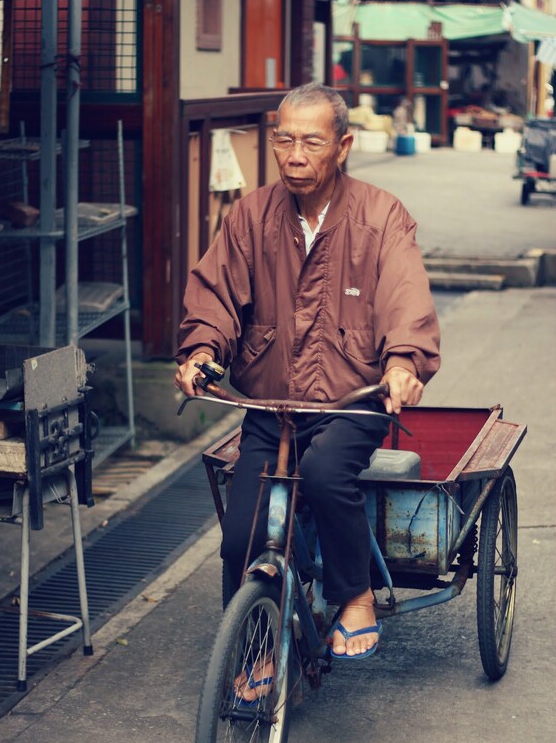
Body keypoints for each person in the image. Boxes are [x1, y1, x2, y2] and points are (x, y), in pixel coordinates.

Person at [175, 83, 440, 668]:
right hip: (272, 403)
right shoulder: (251, 216)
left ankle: (354, 594)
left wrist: (402, 362)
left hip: (352, 399)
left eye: (311, 142)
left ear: (342, 146)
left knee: (322, 474)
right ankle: (262, 640)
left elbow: (405, 295)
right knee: (241, 531)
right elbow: (216, 296)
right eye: (284, 140)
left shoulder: (381, 216)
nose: (295, 155)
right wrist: (200, 351)